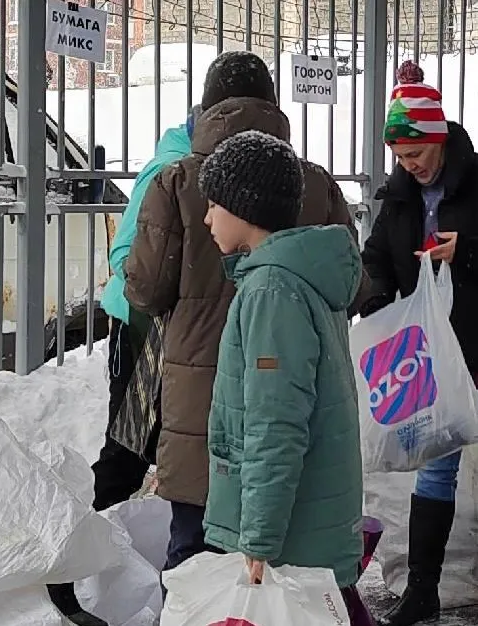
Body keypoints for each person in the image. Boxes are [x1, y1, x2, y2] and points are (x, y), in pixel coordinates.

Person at [123, 50, 368, 572]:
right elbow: (349, 281)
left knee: (193, 554)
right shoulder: (313, 182)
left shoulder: (178, 181)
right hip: (299, 398)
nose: (210, 217)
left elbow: (144, 289)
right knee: (281, 563)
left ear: (207, 106)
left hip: (201, 395)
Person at [360, 60, 478, 626]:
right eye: (400, 156)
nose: (410, 164)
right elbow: (377, 260)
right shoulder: (399, 197)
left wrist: (467, 250)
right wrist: (374, 304)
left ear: (439, 139)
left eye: (417, 152)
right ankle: (422, 590)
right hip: (440, 350)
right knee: (435, 465)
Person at [197, 129, 373, 625]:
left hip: (292, 537)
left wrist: (258, 539)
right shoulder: (296, 277)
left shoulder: (271, 290)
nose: (207, 218)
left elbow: (275, 424)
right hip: (311, 518)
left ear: (244, 207)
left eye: (214, 205)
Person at [47, 105, 200, 626]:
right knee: (129, 450)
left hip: (176, 334)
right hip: (141, 333)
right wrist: (165, 292)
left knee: (161, 449)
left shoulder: (200, 167)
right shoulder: (168, 172)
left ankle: (134, 563)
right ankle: (77, 567)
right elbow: (124, 256)